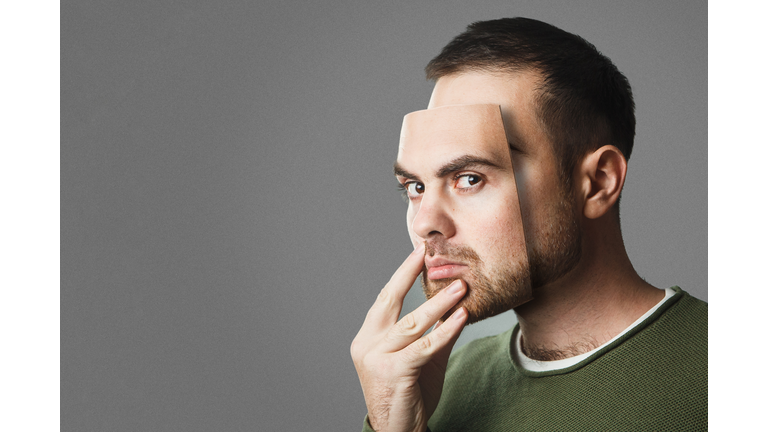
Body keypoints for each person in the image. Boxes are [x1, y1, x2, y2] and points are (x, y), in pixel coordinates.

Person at [350, 17, 707, 432]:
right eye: (415, 186)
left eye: (470, 178)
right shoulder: (432, 389)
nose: (426, 222)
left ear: (597, 183)